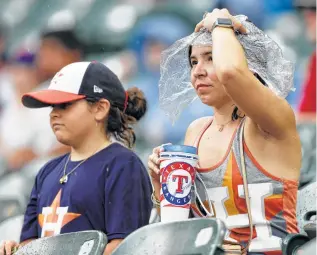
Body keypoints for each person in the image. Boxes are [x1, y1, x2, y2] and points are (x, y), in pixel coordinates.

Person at [148, 9, 301, 255]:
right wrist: (160, 189)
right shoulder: (196, 131)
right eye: (194, 61)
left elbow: (231, 72)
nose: (198, 71)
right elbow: (178, 232)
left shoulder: (271, 121)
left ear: (248, 64)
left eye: (210, 57)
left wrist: (221, 22)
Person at [0, 61, 152, 255]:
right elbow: (32, 244)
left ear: (100, 108)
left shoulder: (122, 165)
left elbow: (126, 247)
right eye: (52, 106)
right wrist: (15, 250)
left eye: (64, 105)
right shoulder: (47, 171)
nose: (54, 114)